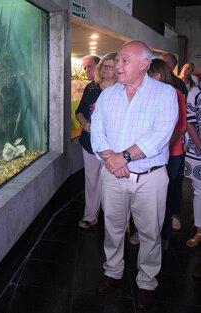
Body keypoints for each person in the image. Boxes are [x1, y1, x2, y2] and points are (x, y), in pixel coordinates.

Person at [91, 41, 178, 310]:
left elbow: (160, 135)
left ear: (144, 64)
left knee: (150, 233)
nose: (117, 65)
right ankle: (113, 270)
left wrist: (124, 157)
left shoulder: (165, 94)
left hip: (149, 178)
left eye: (124, 61)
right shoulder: (108, 95)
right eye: (118, 61)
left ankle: (147, 282)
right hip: (113, 175)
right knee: (113, 228)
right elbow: (97, 131)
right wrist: (112, 160)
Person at [147, 59, 186, 250]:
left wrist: (159, 146)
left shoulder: (175, 93)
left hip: (171, 153)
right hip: (149, 154)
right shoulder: (147, 94)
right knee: (149, 197)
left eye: (151, 73)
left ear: (160, 74)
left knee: (165, 195)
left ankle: (164, 236)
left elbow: (180, 127)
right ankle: (146, 233)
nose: (147, 77)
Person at [75, 52, 117, 229]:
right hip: (90, 142)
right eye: (104, 66)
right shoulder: (92, 87)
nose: (106, 69)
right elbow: (79, 112)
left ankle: (116, 220)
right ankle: (91, 215)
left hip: (115, 145)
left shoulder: (123, 88)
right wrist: (85, 124)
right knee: (92, 180)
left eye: (111, 66)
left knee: (113, 183)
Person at [183, 84, 201, 248]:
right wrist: (199, 145)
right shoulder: (196, 92)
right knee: (199, 192)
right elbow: (189, 121)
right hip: (198, 151)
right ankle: (199, 231)